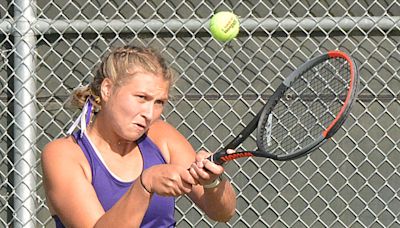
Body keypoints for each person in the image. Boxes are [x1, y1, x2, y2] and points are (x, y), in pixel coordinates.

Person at [41, 45, 236, 227]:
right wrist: (145, 185)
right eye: (141, 98)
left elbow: (223, 213)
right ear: (107, 89)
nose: (149, 114)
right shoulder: (63, 154)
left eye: (159, 102)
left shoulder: (162, 136)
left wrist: (211, 182)